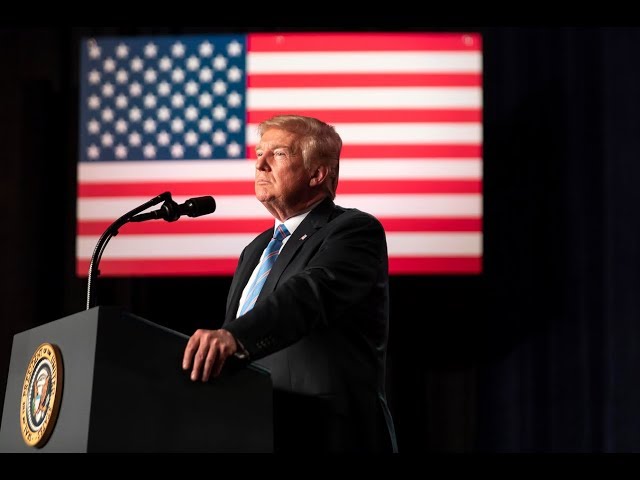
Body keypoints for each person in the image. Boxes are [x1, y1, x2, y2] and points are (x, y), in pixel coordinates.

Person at [182, 114, 397, 453]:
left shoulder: (353, 231)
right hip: (255, 430)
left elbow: (308, 295)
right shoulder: (255, 251)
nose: (261, 165)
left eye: (278, 154)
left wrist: (235, 336)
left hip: (326, 433)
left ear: (317, 173)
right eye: (258, 154)